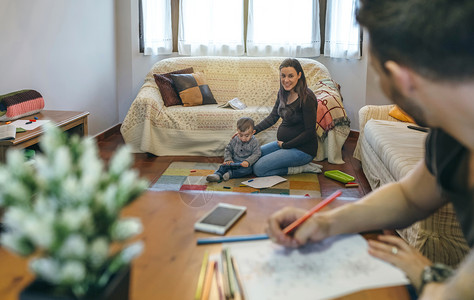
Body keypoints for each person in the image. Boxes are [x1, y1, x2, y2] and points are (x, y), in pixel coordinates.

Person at [266, 1, 474, 299]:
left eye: (377, 73)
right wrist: (324, 222)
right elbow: (409, 196)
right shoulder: (450, 136)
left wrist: (427, 275)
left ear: (401, 78)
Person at [252, 58, 322, 177]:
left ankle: (301, 168)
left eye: (290, 76)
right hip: (284, 144)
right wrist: (254, 130)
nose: (286, 80)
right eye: (283, 76)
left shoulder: (307, 98)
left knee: (259, 169)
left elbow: (310, 132)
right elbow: (273, 116)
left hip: (302, 150)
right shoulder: (283, 92)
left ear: (299, 75)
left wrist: (285, 146)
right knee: (251, 157)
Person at [206, 117, 261, 182]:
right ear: (237, 131)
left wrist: (248, 161)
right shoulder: (235, 139)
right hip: (233, 162)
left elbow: (257, 153)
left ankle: (230, 174)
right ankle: (217, 175)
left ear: (253, 132)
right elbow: (228, 149)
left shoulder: (254, 142)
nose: (243, 139)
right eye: (241, 135)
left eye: (246, 136)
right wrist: (228, 159)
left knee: (247, 170)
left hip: (244, 164)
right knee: (223, 166)